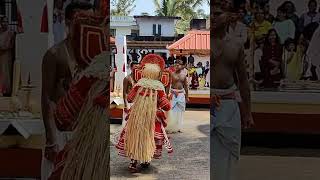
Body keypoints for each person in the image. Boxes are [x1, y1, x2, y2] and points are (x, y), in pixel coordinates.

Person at [41, 2, 94, 180]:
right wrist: (51, 139)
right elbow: (47, 97)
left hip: (84, 131)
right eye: (83, 20)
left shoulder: (92, 56)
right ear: (69, 22)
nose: (88, 25)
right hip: (61, 133)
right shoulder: (54, 54)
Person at [211, 9, 254, 180]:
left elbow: (243, 81)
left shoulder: (236, 45)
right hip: (207, 105)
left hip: (228, 104)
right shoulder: (200, 40)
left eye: (218, 13)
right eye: (210, 13)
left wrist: (248, 112)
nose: (212, 17)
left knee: (226, 155)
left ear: (230, 16)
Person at [116, 54, 173, 173]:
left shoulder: (138, 85)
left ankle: (133, 162)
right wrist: (167, 99)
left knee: (134, 136)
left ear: (144, 72)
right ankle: (146, 159)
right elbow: (166, 106)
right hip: (152, 119)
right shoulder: (159, 88)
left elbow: (130, 99)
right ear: (158, 74)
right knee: (148, 138)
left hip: (136, 117)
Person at [166, 59, 189, 133]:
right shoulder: (172, 74)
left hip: (181, 94)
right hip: (173, 94)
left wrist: (187, 96)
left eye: (178, 65)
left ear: (181, 66)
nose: (176, 66)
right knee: (172, 111)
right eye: (175, 65)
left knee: (180, 111)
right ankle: (172, 127)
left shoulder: (184, 75)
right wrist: (166, 95)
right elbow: (167, 85)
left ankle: (179, 127)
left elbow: (186, 86)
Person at [0, 16, 14, 97]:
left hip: (6, 55)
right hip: (1, 54)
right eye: (3, 22)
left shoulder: (10, 33)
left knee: (6, 72)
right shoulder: (1, 32)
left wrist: (3, 48)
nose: (4, 23)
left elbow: (8, 45)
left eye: (6, 22)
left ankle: (7, 91)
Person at [122, 61, 139, 127]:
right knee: (130, 122)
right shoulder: (127, 78)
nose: (136, 68)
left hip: (138, 102)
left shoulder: (140, 78)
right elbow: (124, 92)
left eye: (138, 67)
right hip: (130, 102)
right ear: (131, 68)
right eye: (135, 67)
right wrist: (126, 105)